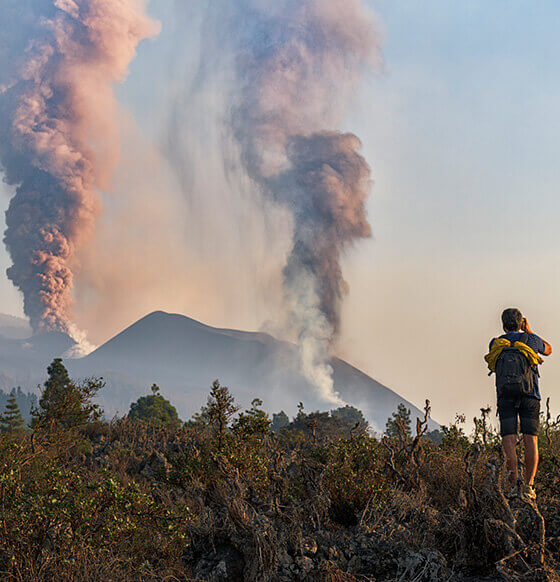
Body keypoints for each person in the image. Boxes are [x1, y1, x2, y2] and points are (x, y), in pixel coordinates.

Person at [489, 308, 552, 500]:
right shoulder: (530, 340)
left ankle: (514, 484)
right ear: (521, 323)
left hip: (505, 395)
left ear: (503, 325)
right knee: (530, 439)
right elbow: (548, 349)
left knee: (509, 439)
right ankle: (529, 486)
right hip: (530, 394)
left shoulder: (496, 343)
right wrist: (529, 331)